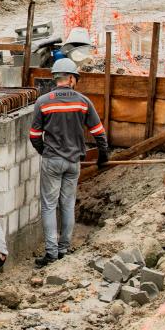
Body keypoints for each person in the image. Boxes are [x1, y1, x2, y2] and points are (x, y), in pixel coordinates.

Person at [29, 58, 109, 267]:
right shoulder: (83, 102)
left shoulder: (43, 102)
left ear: (56, 78)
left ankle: (51, 252)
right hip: (73, 162)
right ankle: (64, 248)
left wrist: (44, 151)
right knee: (67, 205)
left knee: (48, 206)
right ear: (72, 78)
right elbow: (99, 133)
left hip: (52, 160)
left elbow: (34, 135)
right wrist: (103, 156)